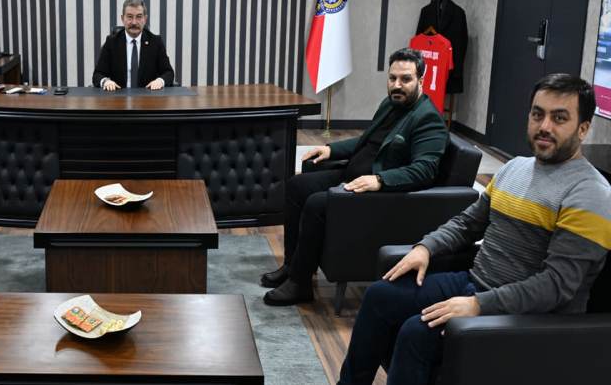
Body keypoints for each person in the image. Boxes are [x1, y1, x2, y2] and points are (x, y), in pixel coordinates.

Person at [339, 73, 611, 385]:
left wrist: (479, 305)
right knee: (379, 296)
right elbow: (468, 223)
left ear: (583, 128)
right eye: (538, 114)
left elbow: (556, 287)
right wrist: (426, 247)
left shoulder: (590, 193)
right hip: (475, 282)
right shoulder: (514, 168)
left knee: (416, 332)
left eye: (559, 118)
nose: (544, 126)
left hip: (528, 316)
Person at [261, 48, 448, 306]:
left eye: (405, 79)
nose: (397, 85)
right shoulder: (390, 105)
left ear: (421, 80)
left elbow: (424, 170)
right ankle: (292, 265)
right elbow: (366, 141)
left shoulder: (428, 119)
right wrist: (331, 149)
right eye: (392, 78)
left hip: (375, 193)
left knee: (317, 203)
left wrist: (380, 180)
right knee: (296, 186)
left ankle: (300, 284)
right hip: (352, 175)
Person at [92, 0, 174, 91]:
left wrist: (160, 81)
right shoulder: (112, 42)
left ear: (145, 19)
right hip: (118, 96)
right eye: (130, 17)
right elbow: (97, 74)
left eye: (139, 17)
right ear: (122, 18)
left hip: (148, 96)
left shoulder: (155, 42)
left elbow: (168, 73)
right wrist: (106, 81)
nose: (134, 22)